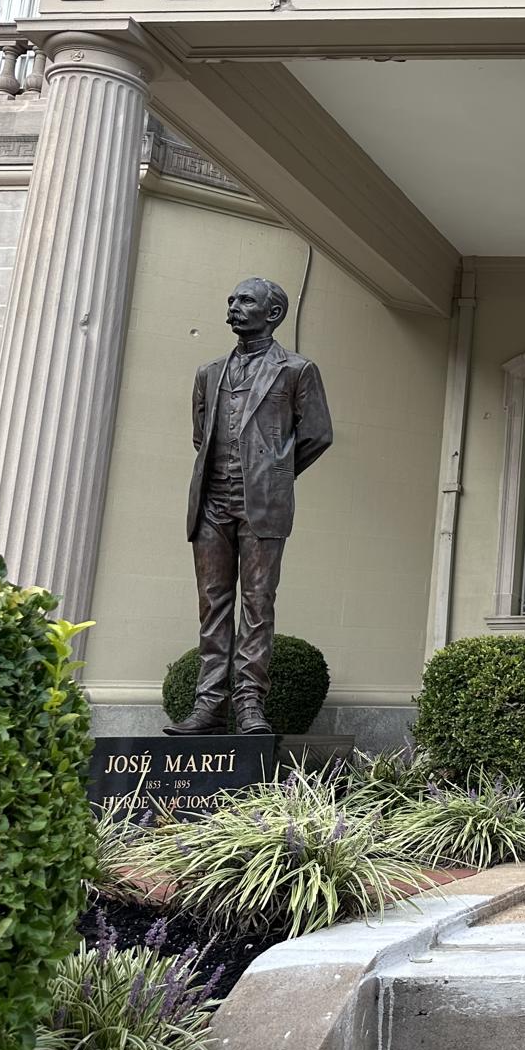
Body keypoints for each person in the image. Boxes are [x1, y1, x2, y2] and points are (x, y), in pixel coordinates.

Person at [165, 277, 333, 737]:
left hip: (263, 502)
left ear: (273, 313)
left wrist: (275, 472)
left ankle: (250, 705)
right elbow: (202, 436)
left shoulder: (296, 370)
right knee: (212, 604)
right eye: (231, 301)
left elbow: (317, 434)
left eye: (245, 301)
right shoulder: (208, 373)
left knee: (257, 603)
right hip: (212, 501)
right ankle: (208, 705)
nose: (234, 308)